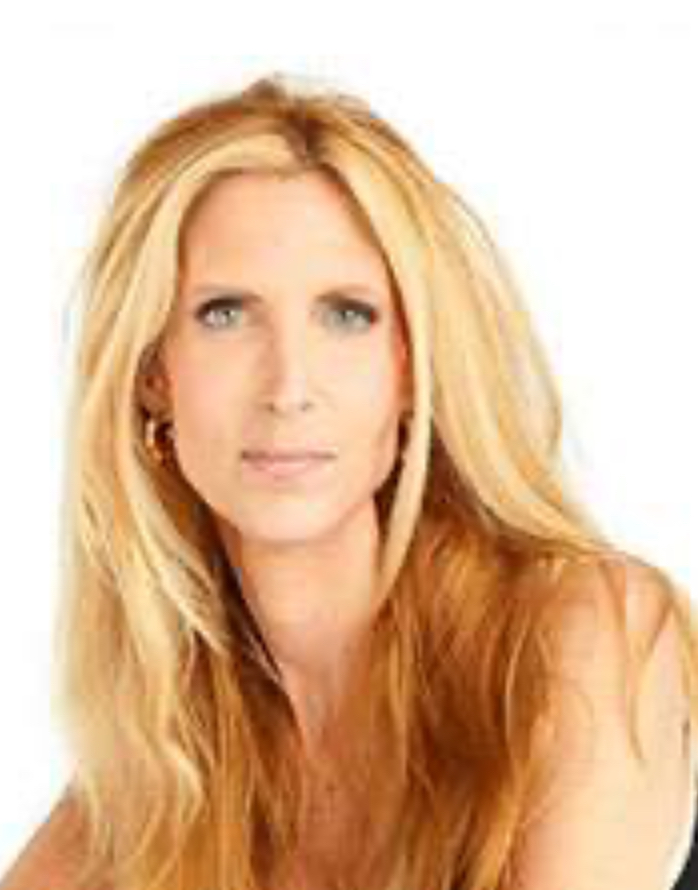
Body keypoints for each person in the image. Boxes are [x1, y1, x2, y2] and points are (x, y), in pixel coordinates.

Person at [1, 71, 697, 890]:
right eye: (225, 313)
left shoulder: (579, 640)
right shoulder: (162, 775)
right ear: (153, 373)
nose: (289, 386)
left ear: (411, 368)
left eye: (347, 315)